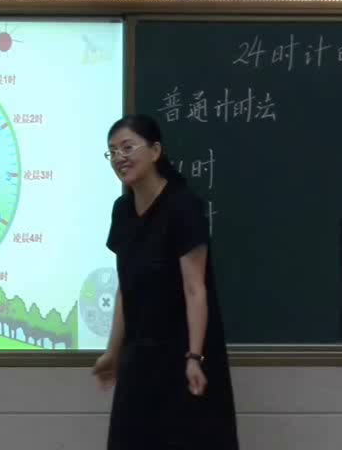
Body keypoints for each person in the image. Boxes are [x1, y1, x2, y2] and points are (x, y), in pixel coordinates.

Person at [92, 114, 239, 449]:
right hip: (138, 353)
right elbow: (126, 288)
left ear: (155, 151)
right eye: (112, 151)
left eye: (127, 147)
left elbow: (195, 289)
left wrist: (194, 357)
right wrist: (112, 352)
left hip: (182, 355)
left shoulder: (183, 206)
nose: (119, 157)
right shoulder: (122, 211)